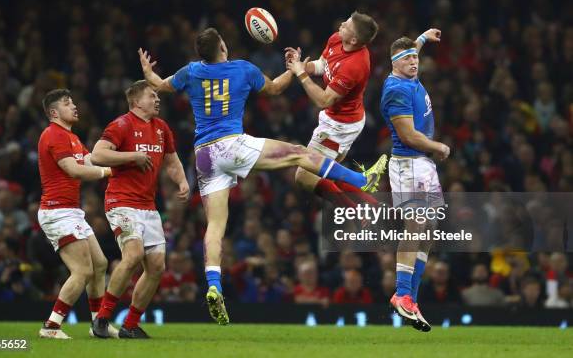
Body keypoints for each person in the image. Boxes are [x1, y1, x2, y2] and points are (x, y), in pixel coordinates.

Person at [138, 27, 387, 325]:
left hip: (203, 156)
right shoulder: (243, 69)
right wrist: (295, 69)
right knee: (299, 153)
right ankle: (361, 180)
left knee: (215, 225)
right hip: (231, 145)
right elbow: (275, 89)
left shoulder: (190, 72)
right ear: (223, 47)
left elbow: (158, 84)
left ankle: (214, 286)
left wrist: (146, 71)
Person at [90, 80, 189, 339]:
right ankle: (102, 319)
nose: (157, 100)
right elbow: (97, 155)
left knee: (156, 267)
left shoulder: (161, 128)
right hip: (121, 201)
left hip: (148, 205)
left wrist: (182, 181)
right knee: (132, 255)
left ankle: (130, 324)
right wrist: (131, 156)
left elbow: (171, 160)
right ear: (136, 102)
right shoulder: (121, 124)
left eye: (157, 96)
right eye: (151, 95)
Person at [380, 29, 450, 332]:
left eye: (415, 57)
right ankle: (402, 293)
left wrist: (420, 39)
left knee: (431, 230)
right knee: (416, 224)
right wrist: (438, 147)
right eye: (407, 58)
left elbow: (411, 51)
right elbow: (407, 135)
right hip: (408, 163)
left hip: (423, 165)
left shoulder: (409, 76)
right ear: (395, 63)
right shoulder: (396, 89)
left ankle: (411, 297)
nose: (413, 62)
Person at [37, 89, 116, 339]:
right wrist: (109, 173)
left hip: (70, 211)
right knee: (82, 271)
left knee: (100, 264)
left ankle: (98, 326)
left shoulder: (70, 137)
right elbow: (74, 170)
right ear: (53, 113)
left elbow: (89, 160)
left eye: (73, 101)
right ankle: (51, 327)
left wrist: (119, 161)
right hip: (57, 211)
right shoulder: (53, 135)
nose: (74, 105)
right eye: (67, 103)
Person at [285, 11, 384, 208]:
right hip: (344, 118)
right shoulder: (337, 39)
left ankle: (357, 210)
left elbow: (323, 100)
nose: (341, 26)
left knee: (304, 176)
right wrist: (302, 65)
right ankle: (374, 207)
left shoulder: (355, 65)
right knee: (330, 173)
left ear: (354, 39)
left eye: (346, 26)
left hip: (339, 125)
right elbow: (323, 64)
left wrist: (301, 74)